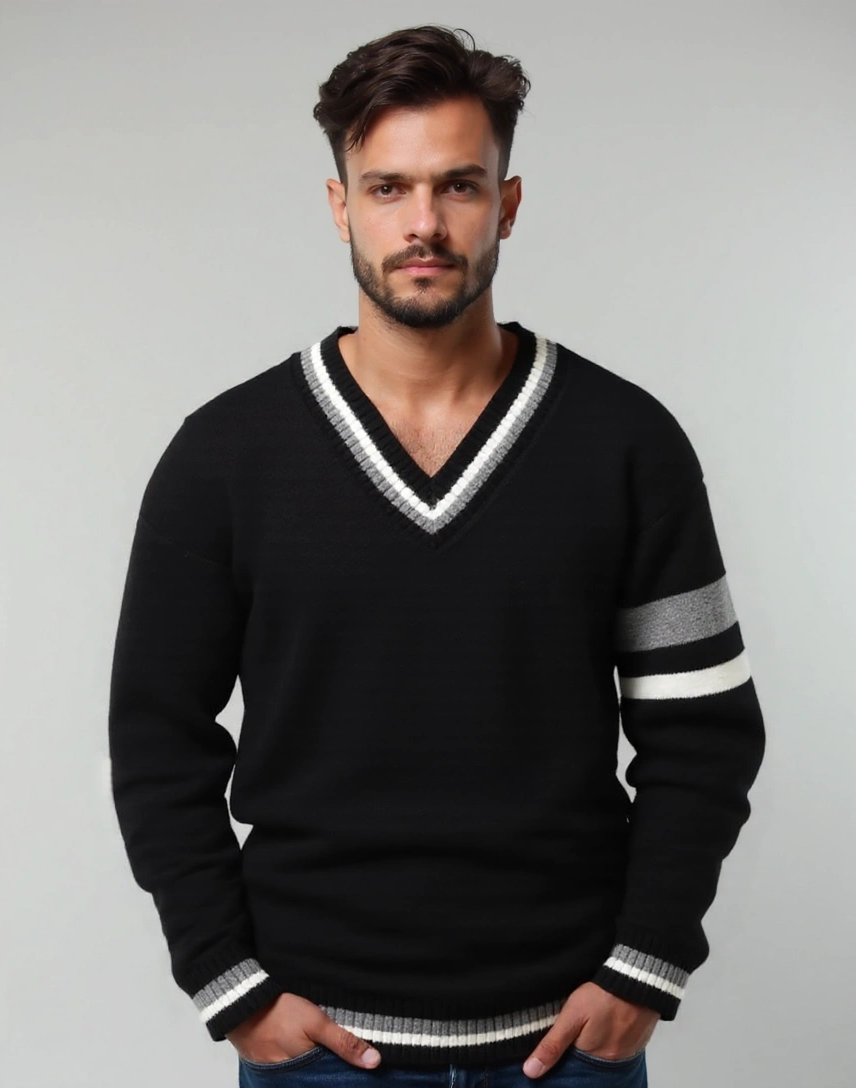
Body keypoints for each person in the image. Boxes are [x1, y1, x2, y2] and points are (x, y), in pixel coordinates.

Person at [107, 24, 765, 1088]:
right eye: (388, 188)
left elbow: (705, 730)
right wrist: (229, 981)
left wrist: (646, 962)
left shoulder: (627, 444)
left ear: (508, 203)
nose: (424, 223)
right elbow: (154, 736)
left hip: (566, 1045)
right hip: (319, 1046)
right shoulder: (223, 456)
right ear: (340, 207)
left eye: (459, 185)